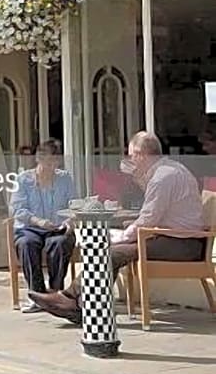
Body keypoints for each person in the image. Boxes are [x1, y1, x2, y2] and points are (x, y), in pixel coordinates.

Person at [30, 131, 207, 323]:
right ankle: (82, 304)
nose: (129, 160)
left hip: (183, 243)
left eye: (131, 156)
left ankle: (74, 301)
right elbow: (156, 215)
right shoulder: (169, 170)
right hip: (172, 237)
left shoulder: (163, 177)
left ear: (140, 154)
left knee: (111, 252)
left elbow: (148, 218)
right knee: (110, 251)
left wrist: (123, 236)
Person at [10, 139, 77, 313]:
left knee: (60, 243)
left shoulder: (65, 178)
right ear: (38, 159)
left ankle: (55, 294)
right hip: (30, 227)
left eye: (55, 161)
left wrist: (69, 221)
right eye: (47, 161)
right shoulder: (23, 179)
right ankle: (37, 295)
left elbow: (74, 205)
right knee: (27, 244)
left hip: (57, 227)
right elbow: (18, 209)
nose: (50, 166)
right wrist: (39, 222)